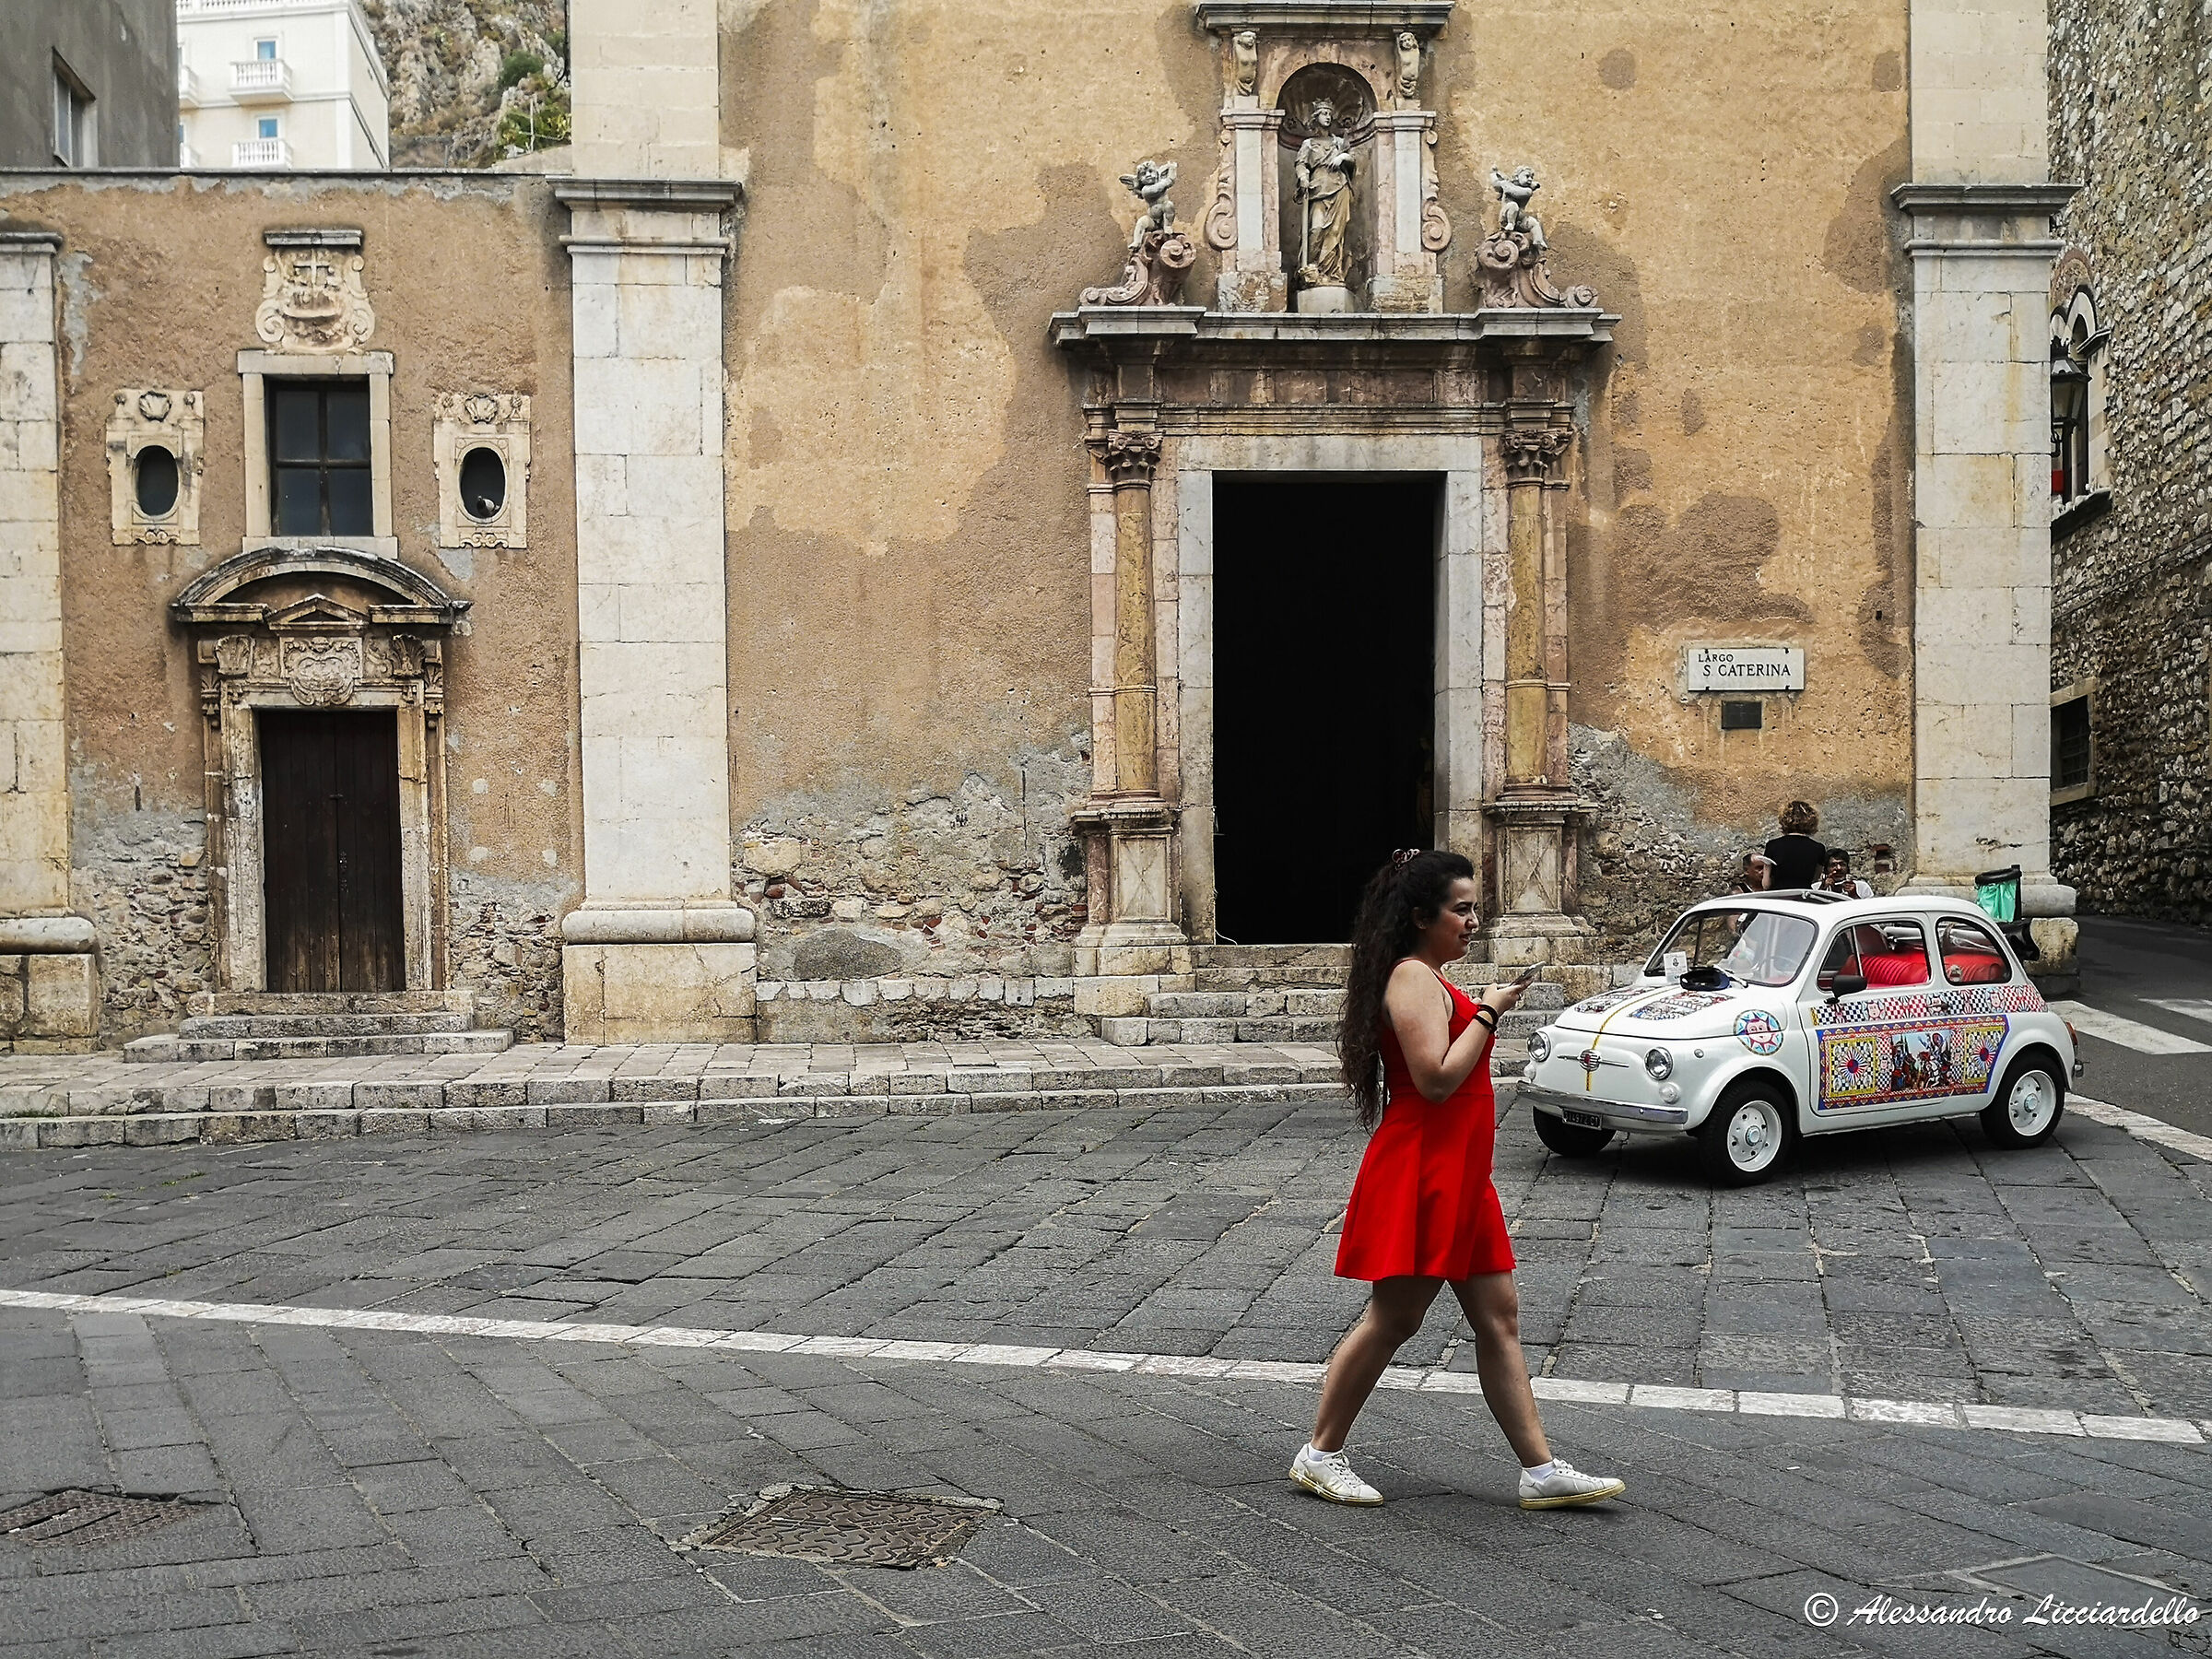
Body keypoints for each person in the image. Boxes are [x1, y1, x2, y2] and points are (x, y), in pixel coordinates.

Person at [1290, 850, 1626, 1512]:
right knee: (1395, 1319)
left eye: (1474, 906)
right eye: (1461, 908)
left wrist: (1481, 1009)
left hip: (1459, 1176)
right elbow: (1437, 1079)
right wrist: (1490, 1012)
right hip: (1424, 1171)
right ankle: (1320, 1453)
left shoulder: (1430, 977)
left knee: (1498, 1318)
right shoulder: (1413, 978)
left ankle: (1540, 1469)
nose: (1474, 920)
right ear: (1422, 917)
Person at [1763, 800, 1828, 890]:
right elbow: (1815, 880)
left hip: (1779, 896)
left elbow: (1766, 884)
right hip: (1804, 896)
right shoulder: (1819, 848)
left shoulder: (1772, 845)